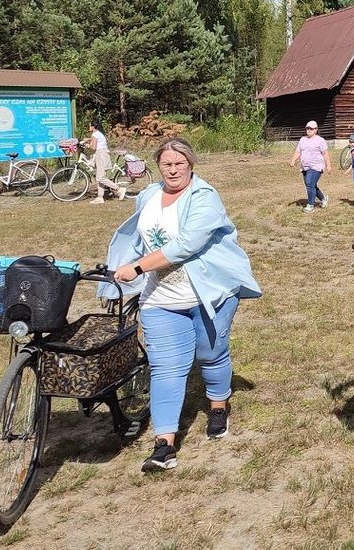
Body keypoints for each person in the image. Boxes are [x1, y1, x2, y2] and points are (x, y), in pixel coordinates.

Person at [105, 138, 262, 472]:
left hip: (208, 293)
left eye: (179, 163)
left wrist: (138, 267)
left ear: (190, 163)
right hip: (160, 299)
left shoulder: (205, 197)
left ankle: (218, 406)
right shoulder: (147, 195)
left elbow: (187, 244)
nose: (173, 169)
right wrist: (122, 268)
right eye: (166, 164)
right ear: (158, 166)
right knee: (166, 369)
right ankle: (164, 445)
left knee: (210, 353)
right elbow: (139, 239)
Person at [288, 121, 330, 213]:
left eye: (311, 128)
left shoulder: (320, 140)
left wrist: (328, 165)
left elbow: (325, 153)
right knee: (311, 185)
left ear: (316, 130)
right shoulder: (302, 139)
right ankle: (323, 199)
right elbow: (298, 151)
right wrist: (293, 160)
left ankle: (310, 205)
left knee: (309, 184)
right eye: (307, 128)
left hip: (316, 166)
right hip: (305, 166)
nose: (309, 130)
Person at [88, 120, 124, 204]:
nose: (89, 127)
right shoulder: (99, 134)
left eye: (90, 125)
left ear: (93, 127)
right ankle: (100, 197)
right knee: (100, 177)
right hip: (103, 154)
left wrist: (86, 144)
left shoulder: (95, 134)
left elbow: (93, 147)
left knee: (100, 178)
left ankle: (119, 189)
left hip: (100, 155)